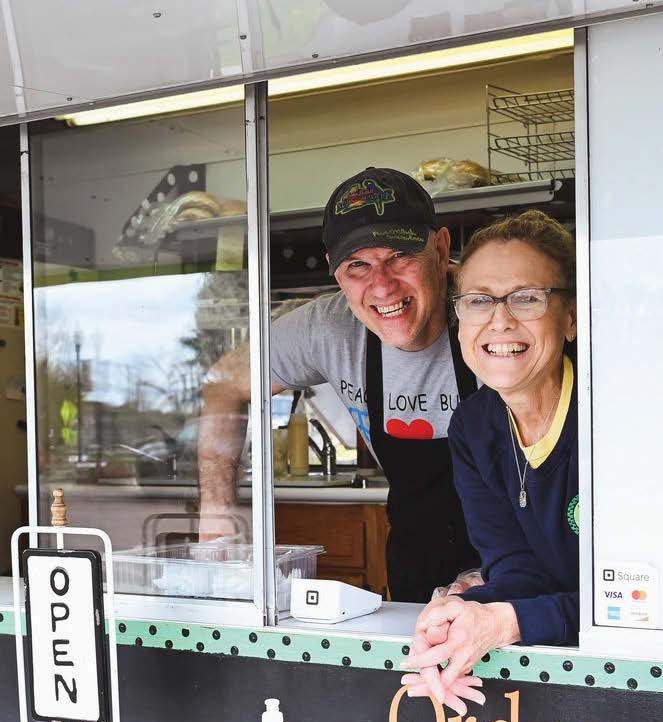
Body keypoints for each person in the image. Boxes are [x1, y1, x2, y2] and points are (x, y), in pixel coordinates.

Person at [198, 167, 480, 601]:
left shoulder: (494, 311)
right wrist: (217, 516)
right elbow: (223, 384)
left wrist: (508, 571)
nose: (382, 287)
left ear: (441, 250)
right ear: (335, 270)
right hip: (420, 571)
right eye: (358, 266)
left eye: (399, 256)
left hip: (531, 571)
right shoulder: (329, 329)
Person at [401, 211, 579, 714]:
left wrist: (508, 622)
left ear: (570, 317)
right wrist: (457, 615)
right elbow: (520, 571)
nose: (499, 320)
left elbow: (635, 605)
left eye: (527, 297)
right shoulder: (474, 427)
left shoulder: (612, 419)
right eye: (479, 300)